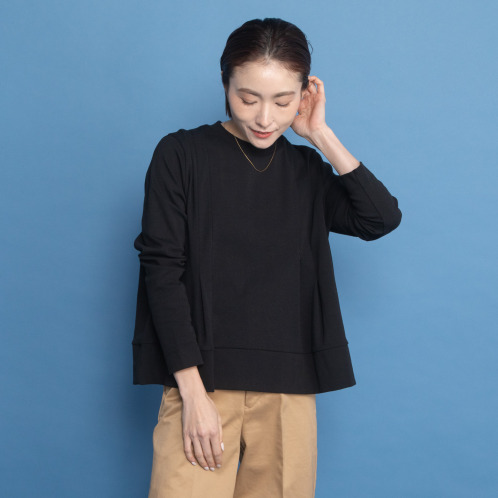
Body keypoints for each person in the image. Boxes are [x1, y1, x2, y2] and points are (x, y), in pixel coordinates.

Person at [132, 17, 402, 498]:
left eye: (282, 101)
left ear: (304, 95)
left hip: (288, 390)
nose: (264, 118)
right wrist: (192, 393)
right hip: (202, 383)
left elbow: (380, 219)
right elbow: (162, 271)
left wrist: (320, 134)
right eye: (247, 98)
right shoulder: (182, 155)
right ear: (225, 84)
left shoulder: (306, 169)